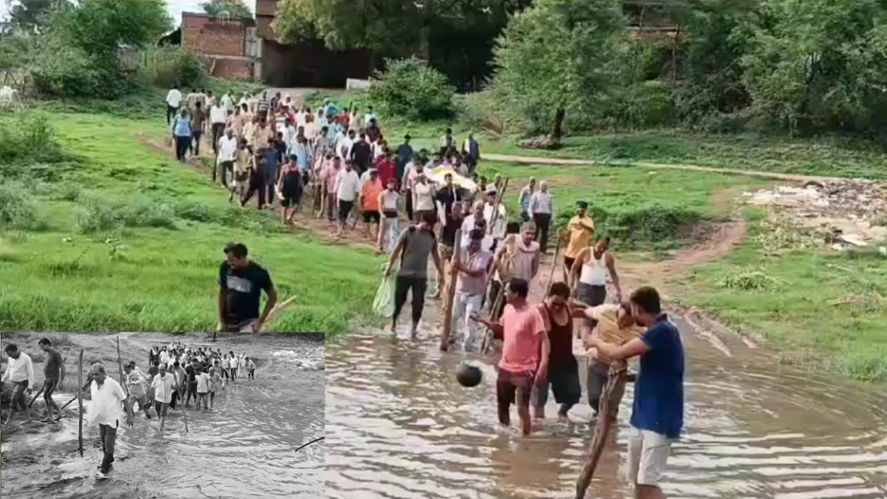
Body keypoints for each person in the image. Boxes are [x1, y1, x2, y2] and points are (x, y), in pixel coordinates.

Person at [586, 287, 684, 499]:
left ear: (638, 309)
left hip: (660, 418)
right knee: (637, 482)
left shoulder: (662, 332)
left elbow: (618, 352)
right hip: (642, 416)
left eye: (632, 310)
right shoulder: (657, 330)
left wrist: (595, 342)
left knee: (648, 484)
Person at [472, 278, 549, 436]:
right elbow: (501, 330)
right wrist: (485, 322)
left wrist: (543, 364)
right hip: (505, 366)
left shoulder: (532, 313)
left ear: (516, 294)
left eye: (507, 291)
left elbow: (544, 340)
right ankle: (504, 439)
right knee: (503, 406)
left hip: (525, 368)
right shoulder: (507, 309)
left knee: (522, 407)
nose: (505, 293)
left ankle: (525, 440)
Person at [575, 300, 644, 419]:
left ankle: (608, 426)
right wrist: (586, 335)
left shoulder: (641, 330)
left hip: (617, 369)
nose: (621, 323)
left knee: (611, 405)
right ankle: (600, 418)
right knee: (594, 398)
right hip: (597, 361)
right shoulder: (606, 312)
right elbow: (585, 313)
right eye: (621, 318)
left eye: (627, 322)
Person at [384, 212, 444, 338]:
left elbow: (436, 257)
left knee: (418, 303)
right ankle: (394, 323)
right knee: (399, 300)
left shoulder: (432, 237)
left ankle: (413, 328)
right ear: (420, 221)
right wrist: (389, 267)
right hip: (404, 273)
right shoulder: (408, 232)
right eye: (425, 225)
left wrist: (441, 273)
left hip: (420, 276)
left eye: (430, 226)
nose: (427, 228)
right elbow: (396, 251)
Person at [530, 282, 580, 420]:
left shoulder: (568, 309)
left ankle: (562, 413)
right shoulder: (540, 310)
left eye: (561, 304)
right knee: (539, 403)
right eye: (554, 303)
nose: (557, 307)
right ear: (548, 297)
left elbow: (585, 310)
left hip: (565, 360)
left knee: (574, 395)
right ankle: (538, 435)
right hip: (543, 362)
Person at [218, 242, 278, 332]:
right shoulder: (225, 267)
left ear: (242, 257)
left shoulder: (259, 273)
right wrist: (221, 320)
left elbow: (272, 297)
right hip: (228, 322)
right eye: (227, 259)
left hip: (248, 322)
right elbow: (222, 292)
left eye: (232, 260)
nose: (229, 263)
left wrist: (260, 321)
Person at [87, 363, 133, 479]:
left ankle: (104, 469)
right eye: (93, 374)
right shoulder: (93, 384)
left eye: (97, 374)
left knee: (108, 444)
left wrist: (130, 416)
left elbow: (124, 399)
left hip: (112, 419)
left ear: (103, 373)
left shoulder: (112, 384)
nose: (95, 377)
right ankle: (109, 459)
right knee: (103, 441)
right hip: (101, 419)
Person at [452, 228, 493, 350]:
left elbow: (478, 272)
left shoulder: (485, 254)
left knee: (470, 322)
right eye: (472, 242)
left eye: (477, 243)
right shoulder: (460, 251)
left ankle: (467, 346)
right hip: (459, 291)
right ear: (468, 240)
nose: (474, 245)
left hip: (475, 294)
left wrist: (461, 268)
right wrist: (454, 266)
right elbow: (452, 268)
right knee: (453, 317)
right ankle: (452, 338)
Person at [569, 236, 622, 306]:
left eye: (605, 247)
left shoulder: (608, 257)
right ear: (595, 242)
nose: (602, 249)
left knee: (597, 311)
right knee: (585, 308)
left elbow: (613, 273)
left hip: (600, 289)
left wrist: (618, 289)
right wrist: (571, 286)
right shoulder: (585, 252)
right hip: (585, 287)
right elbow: (574, 268)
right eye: (600, 246)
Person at [1, 343, 35, 425]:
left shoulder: (26, 358)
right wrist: (3, 380)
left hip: (23, 382)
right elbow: (9, 369)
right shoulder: (10, 358)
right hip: (14, 382)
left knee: (13, 399)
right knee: (21, 401)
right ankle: (28, 419)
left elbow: (31, 373)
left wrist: (30, 386)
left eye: (10, 354)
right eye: (8, 354)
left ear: (15, 351)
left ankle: (8, 421)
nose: (9, 356)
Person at [563, 201, 595, 275]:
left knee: (580, 274)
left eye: (582, 210)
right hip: (571, 252)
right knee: (570, 272)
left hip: (582, 252)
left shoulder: (589, 220)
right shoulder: (572, 220)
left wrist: (583, 225)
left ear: (585, 211)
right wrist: (562, 235)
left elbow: (592, 230)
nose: (580, 211)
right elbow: (568, 234)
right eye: (579, 210)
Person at [37, 338, 64, 421]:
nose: (42, 349)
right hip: (48, 378)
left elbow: (62, 368)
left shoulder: (55, 353)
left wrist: (61, 382)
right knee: (48, 396)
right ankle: (59, 412)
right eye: (41, 347)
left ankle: (51, 416)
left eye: (43, 346)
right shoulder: (47, 353)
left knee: (46, 395)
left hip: (54, 378)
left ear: (48, 344)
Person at [334, 159, 361, 237]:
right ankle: (339, 230)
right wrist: (335, 194)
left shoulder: (355, 175)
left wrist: (356, 198)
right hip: (341, 196)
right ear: (345, 164)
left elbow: (357, 188)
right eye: (347, 164)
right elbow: (337, 184)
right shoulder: (341, 173)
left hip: (350, 198)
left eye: (349, 164)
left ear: (352, 165)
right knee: (340, 213)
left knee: (345, 214)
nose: (348, 165)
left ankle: (342, 227)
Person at [529, 181, 553, 253]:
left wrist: (551, 216)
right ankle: (532, 247)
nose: (544, 187)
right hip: (537, 214)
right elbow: (531, 205)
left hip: (546, 215)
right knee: (535, 232)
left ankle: (543, 248)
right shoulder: (536, 195)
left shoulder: (549, 196)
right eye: (542, 186)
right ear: (540, 186)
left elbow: (550, 207)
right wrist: (531, 214)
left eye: (545, 186)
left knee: (544, 233)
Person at [151, 363, 176, 432]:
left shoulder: (170, 376)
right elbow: (153, 387)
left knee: (163, 414)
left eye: (163, 370)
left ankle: (160, 429)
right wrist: (152, 399)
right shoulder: (156, 377)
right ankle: (162, 425)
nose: (161, 372)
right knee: (158, 413)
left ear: (165, 370)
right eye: (160, 370)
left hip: (166, 399)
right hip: (157, 398)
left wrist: (177, 388)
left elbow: (173, 386)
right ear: (159, 370)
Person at [278, 158, 303, 224]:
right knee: (285, 206)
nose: (292, 163)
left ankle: (289, 217)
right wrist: (279, 187)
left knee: (296, 205)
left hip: (295, 189)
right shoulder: (285, 168)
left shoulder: (298, 169)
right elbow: (281, 178)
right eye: (291, 161)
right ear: (289, 160)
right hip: (286, 189)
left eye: (294, 161)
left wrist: (301, 186)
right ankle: (283, 222)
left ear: (295, 162)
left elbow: (300, 179)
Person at [378, 178, 400, 253]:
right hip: (385, 213)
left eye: (393, 184)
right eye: (390, 184)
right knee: (383, 231)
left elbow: (397, 206)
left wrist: (398, 214)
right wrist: (382, 214)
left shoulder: (396, 195)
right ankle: (380, 246)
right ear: (387, 185)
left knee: (393, 232)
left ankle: (392, 248)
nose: (391, 186)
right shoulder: (383, 194)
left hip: (393, 214)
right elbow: (380, 205)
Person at [360, 168, 383, 239]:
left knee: (378, 222)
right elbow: (362, 195)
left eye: (375, 174)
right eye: (373, 174)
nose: (374, 176)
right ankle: (368, 234)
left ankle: (376, 235)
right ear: (370, 175)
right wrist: (361, 205)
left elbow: (381, 194)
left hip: (377, 206)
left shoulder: (379, 183)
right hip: (367, 205)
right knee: (366, 221)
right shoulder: (366, 183)